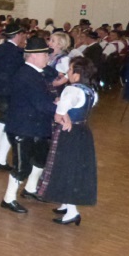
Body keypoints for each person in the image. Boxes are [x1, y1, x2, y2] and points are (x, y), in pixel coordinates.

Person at [0, 37, 56, 214]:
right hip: (22, 128)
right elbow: (41, 103)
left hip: (35, 126)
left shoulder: (35, 72)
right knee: (22, 166)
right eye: (45, 54)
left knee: (40, 159)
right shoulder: (27, 75)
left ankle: (30, 189)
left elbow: (45, 91)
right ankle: (8, 199)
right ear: (32, 56)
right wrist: (60, 110)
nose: (48, 57)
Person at [38, 57, 98, 225]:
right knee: (75, 167)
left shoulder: (71, 90)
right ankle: (65, 203)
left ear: (77, 75)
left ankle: (72, 211)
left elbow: (58, 115)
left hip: (68, 133)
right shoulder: (91, 91)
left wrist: (62, 114)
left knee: (66, 168)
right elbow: (77, 108)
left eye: (70, 70)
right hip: (83, 132)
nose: (68, 73)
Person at [0, 23, 25, 171]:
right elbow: (18, 73)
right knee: (8, 122)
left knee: (1, 120)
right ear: (17, 35)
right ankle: (0, 158)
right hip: (9, 91)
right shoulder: (16, 52)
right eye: (22, 35)